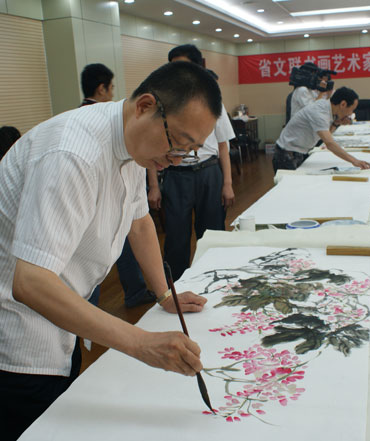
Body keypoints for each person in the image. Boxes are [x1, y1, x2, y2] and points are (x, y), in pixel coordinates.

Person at [0, 61, 221, 441]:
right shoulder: (72, 153)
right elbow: (30, 282)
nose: (176, 159)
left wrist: (164, 293)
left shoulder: (134, 143)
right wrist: (140, 342)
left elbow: (139, 221)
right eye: (177, 143)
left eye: (189, 151)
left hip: (63, 314)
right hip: (18, 337)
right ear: (145, 106)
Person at [147, 44, 236, 281]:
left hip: (209, 172)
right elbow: (150, 147)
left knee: (212, 233)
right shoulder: (162, 103)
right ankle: (176, 287)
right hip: (176, 175)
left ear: (197, 68)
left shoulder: (213, 100)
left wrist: (227, 184)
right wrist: (154, 186)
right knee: (176, 238)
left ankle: (214, 279)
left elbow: (223, 145)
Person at [80, 63, 156, 308]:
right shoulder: (85, 138)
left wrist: (165, 294)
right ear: (102, 88)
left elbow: (140, 223)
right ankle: (133, 292)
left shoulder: (125, 134)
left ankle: (134, 291)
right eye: (111, 88)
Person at [272, 86, 370, 172]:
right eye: (352, 109)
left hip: (298, 152)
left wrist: (336, 123)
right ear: (343, 104)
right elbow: (329, 143)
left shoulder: (327, 109)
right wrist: (354, 161)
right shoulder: (319, 112)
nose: (351, 113)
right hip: (286, 155)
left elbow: (326, 135)